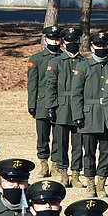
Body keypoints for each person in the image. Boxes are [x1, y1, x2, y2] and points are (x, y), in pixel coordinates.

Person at [74, 32, 108, 197]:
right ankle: (90, 184)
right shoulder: (83, 66)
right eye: (98, 45)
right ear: (92, 47)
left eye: (104, 45)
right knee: (89, 152)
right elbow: (76, 93)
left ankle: (101, 184)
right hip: (89, 116)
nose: (101, 48)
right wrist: (78, 115)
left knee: (106, 152)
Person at [47, 27, 86, 187]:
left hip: (80, 110)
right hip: (61, 108)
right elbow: (50, 86)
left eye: (75, 41)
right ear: (64, 43)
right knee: (61, 143)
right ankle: (63, 173)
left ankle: (76, 174)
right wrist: (50, 107)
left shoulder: (85, 63)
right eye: (69, 41)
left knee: (78, 145)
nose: (72, 44)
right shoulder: (55, 62)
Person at [26, 25, 63, 178]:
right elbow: (32, 84)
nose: (54, 42)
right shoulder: (36, 59)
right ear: (45, 39)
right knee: (42, 136)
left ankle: (56, 165)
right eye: (51, 38)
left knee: (59, 136)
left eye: (57, 39)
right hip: (41, 103)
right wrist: (32, 105)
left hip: (60, 103)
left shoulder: (65, 58)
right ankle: (43, 164)